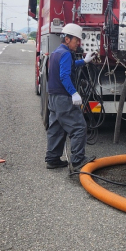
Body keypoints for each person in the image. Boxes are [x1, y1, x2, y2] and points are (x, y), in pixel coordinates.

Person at [45, 23, 97, 170]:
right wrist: (74, 93)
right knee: (79, 127)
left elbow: (69, 65)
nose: (78, 43)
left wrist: (84, 61)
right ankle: (78, 160)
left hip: (53, 98)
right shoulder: (66, 53)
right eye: (76, 40)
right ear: (67, 39)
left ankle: (53, 159)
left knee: (55, 128)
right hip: (63, 98)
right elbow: (64, 75)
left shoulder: (57, 52)